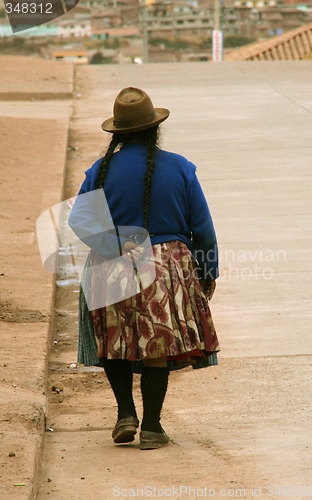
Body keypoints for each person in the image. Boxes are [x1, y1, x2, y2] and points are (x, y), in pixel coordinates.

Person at [68, 87, 220, 450]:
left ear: (117, 132)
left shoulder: (100, 171)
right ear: (155, 129)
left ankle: (125, 414)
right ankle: (151, 427)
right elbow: (203, 229)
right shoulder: (181, 167)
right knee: (155, 346)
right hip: (166, 266)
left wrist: (113, 244)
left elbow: (79, 220)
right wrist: (207, 271)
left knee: (114, 341)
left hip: (110, 262)